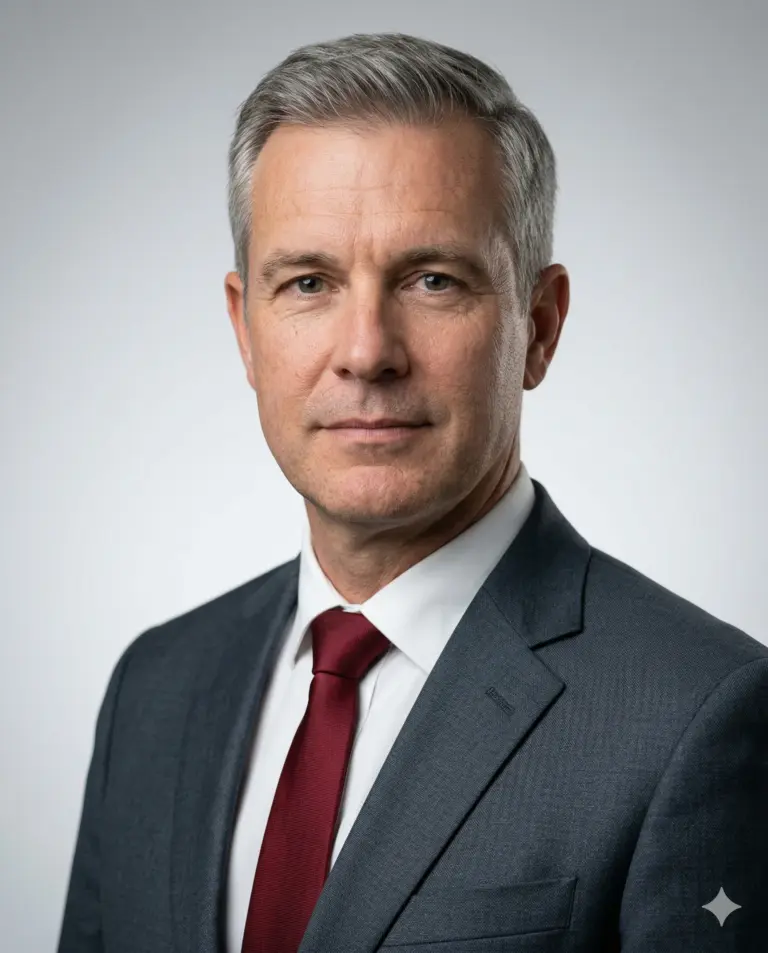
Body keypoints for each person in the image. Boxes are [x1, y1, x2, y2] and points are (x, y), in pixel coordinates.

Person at [57, 32, 768, 953]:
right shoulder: (154, 688)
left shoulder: (697, 713)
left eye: (433, 280)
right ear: (245, 328)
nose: (366, 351)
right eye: (308, 282)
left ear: (540, 327)